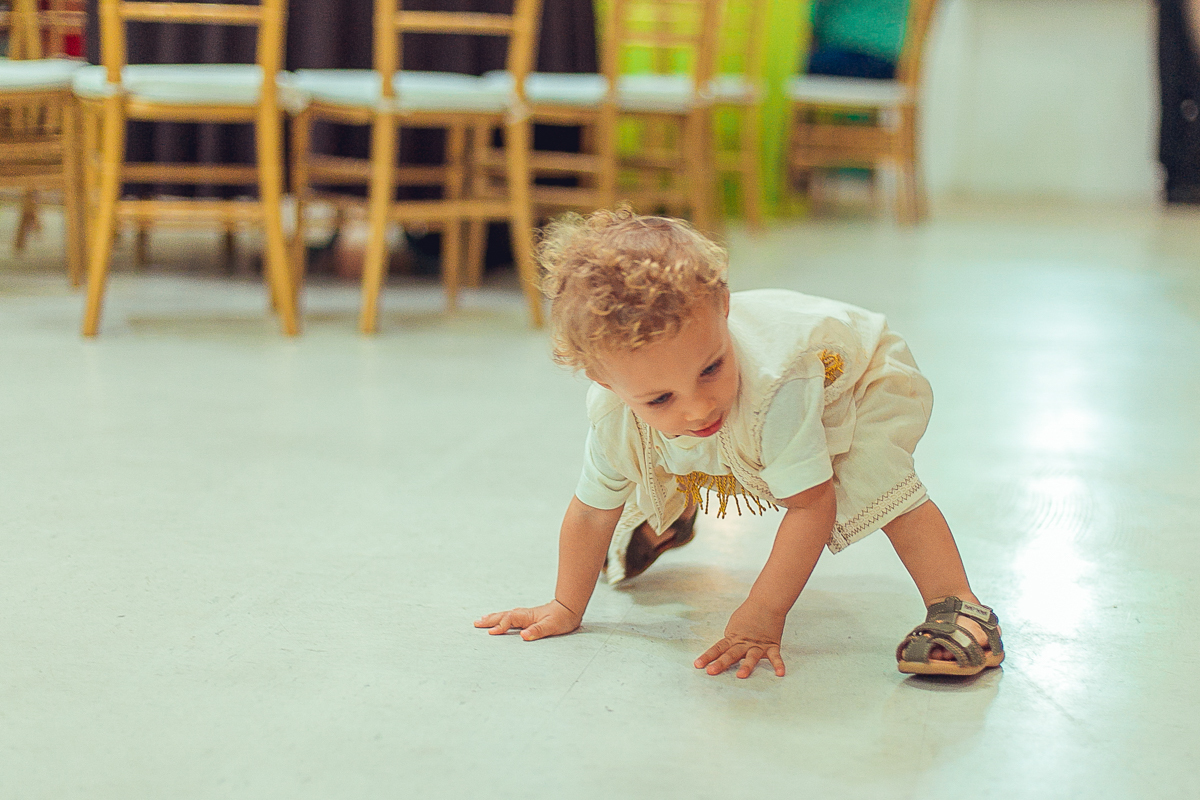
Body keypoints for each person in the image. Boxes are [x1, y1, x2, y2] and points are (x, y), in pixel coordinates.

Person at [475, 209, 1003, 679]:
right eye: (660, 396)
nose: (698, 405)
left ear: (723, 307)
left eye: (711, 367)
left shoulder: (779, 384)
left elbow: (809, 505)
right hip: (753, 405)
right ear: (602, 379)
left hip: (857, 377)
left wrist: (763, 613)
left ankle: (958, 603)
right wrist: (567, 604)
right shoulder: (616, 411)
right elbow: (592, 512)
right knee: (657, 443)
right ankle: (669, 508)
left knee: (866, 473)